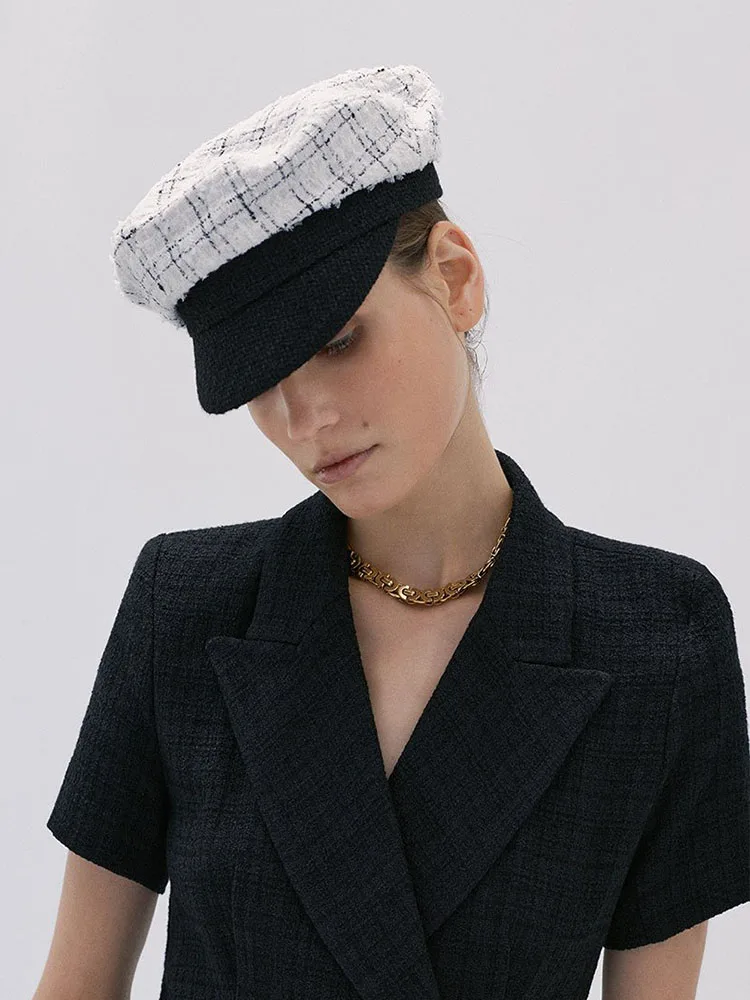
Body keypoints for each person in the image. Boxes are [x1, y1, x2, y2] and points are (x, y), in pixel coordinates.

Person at [36, 64, 749, 1000]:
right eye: (261, 383)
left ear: (455, 279)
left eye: (338, 343)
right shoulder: (186, 608)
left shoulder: (660, 637)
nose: (305, 421)